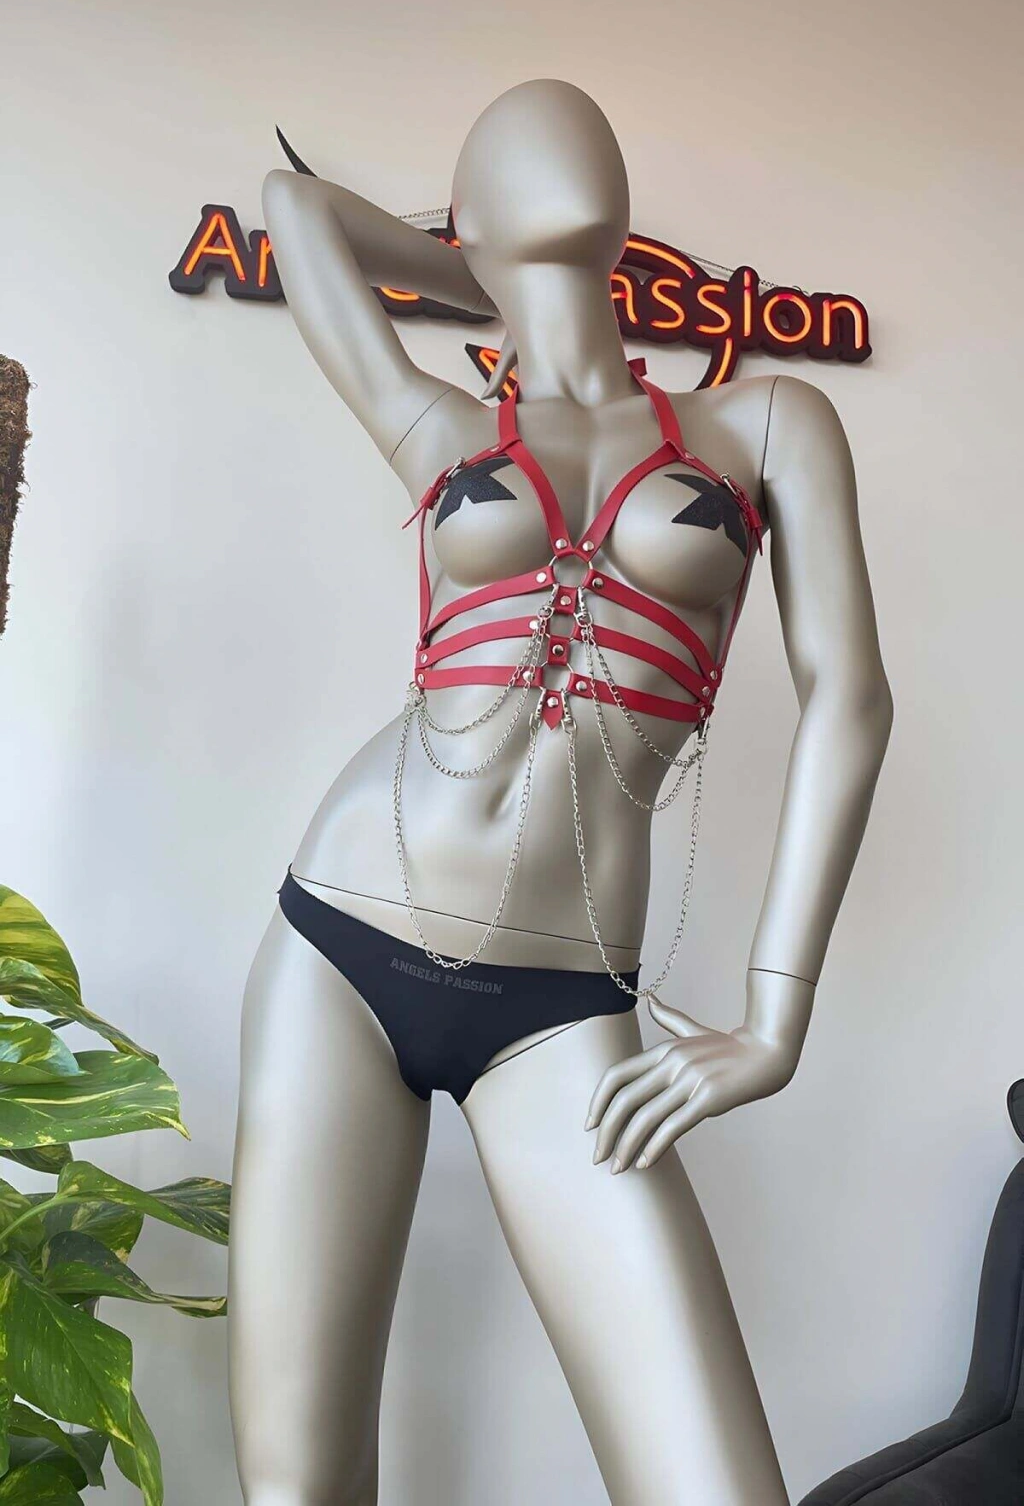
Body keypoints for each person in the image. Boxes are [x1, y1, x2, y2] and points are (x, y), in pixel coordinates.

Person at [228, 78, 893, 1506]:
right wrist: (484, 267)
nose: (557, 129)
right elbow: (296, 208)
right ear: (471, 218)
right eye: (515, 151)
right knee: (297, 1490)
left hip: (561, 1000)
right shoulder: (437, 428)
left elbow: (850, 697)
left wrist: (775, 1015)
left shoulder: (770, 421)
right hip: (339, 943)